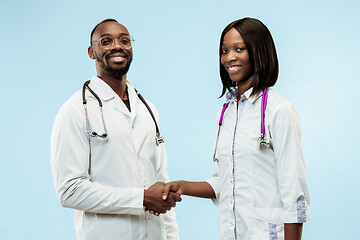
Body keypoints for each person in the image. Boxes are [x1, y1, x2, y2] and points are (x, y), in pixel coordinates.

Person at [162, 18, 310, 240]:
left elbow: (293, 192)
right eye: (224, 50)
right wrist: (182, 186)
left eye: (239, 49)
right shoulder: (225, 115)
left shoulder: (280, 111)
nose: (229, 57)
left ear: (259, 51)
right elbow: (222, 182)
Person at [50, 19, 181, 240]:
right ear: (92, 52)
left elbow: (161, 183)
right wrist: (140, 198)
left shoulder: (148, 109)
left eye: (124, 40)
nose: (117, 46)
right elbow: (69, 191)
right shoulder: (75, 110)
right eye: (106, 41)